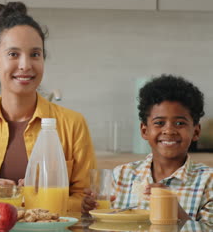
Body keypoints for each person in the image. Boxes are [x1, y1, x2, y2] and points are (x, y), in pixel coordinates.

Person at [0, 2, 95, 212]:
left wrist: (32, 198)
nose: (25, 65)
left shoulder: (73, 125)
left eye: (35, 54)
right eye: (13, 54)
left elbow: (86, 200)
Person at [82, 74, 212, 224]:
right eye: (159, 123)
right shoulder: (122, 175)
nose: (169, 131)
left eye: (179, 123)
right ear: (144, 131)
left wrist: (173, 208)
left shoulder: (208, 182)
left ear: (196, 131)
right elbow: (104, 227)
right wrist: (89, 212)